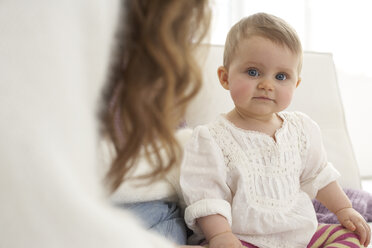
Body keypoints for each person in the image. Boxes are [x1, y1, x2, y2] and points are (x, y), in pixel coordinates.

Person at [0, 0, 209, 247]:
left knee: (171, 218)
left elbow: (177, 140)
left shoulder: (155, 67)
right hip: (112, 192)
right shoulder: (64, 30)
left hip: (151, 198)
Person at [180, 12, 371, 248]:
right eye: (253, 72)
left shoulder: (301, 129)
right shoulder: (211, 138)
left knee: (347, 237)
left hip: (301, 234)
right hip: (244, 238)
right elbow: (207, 197)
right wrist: (221, 236)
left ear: (296, 84)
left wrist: (344, 209)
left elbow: (319, 177)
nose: (267, 84)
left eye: (281, 76)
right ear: (225, 77)